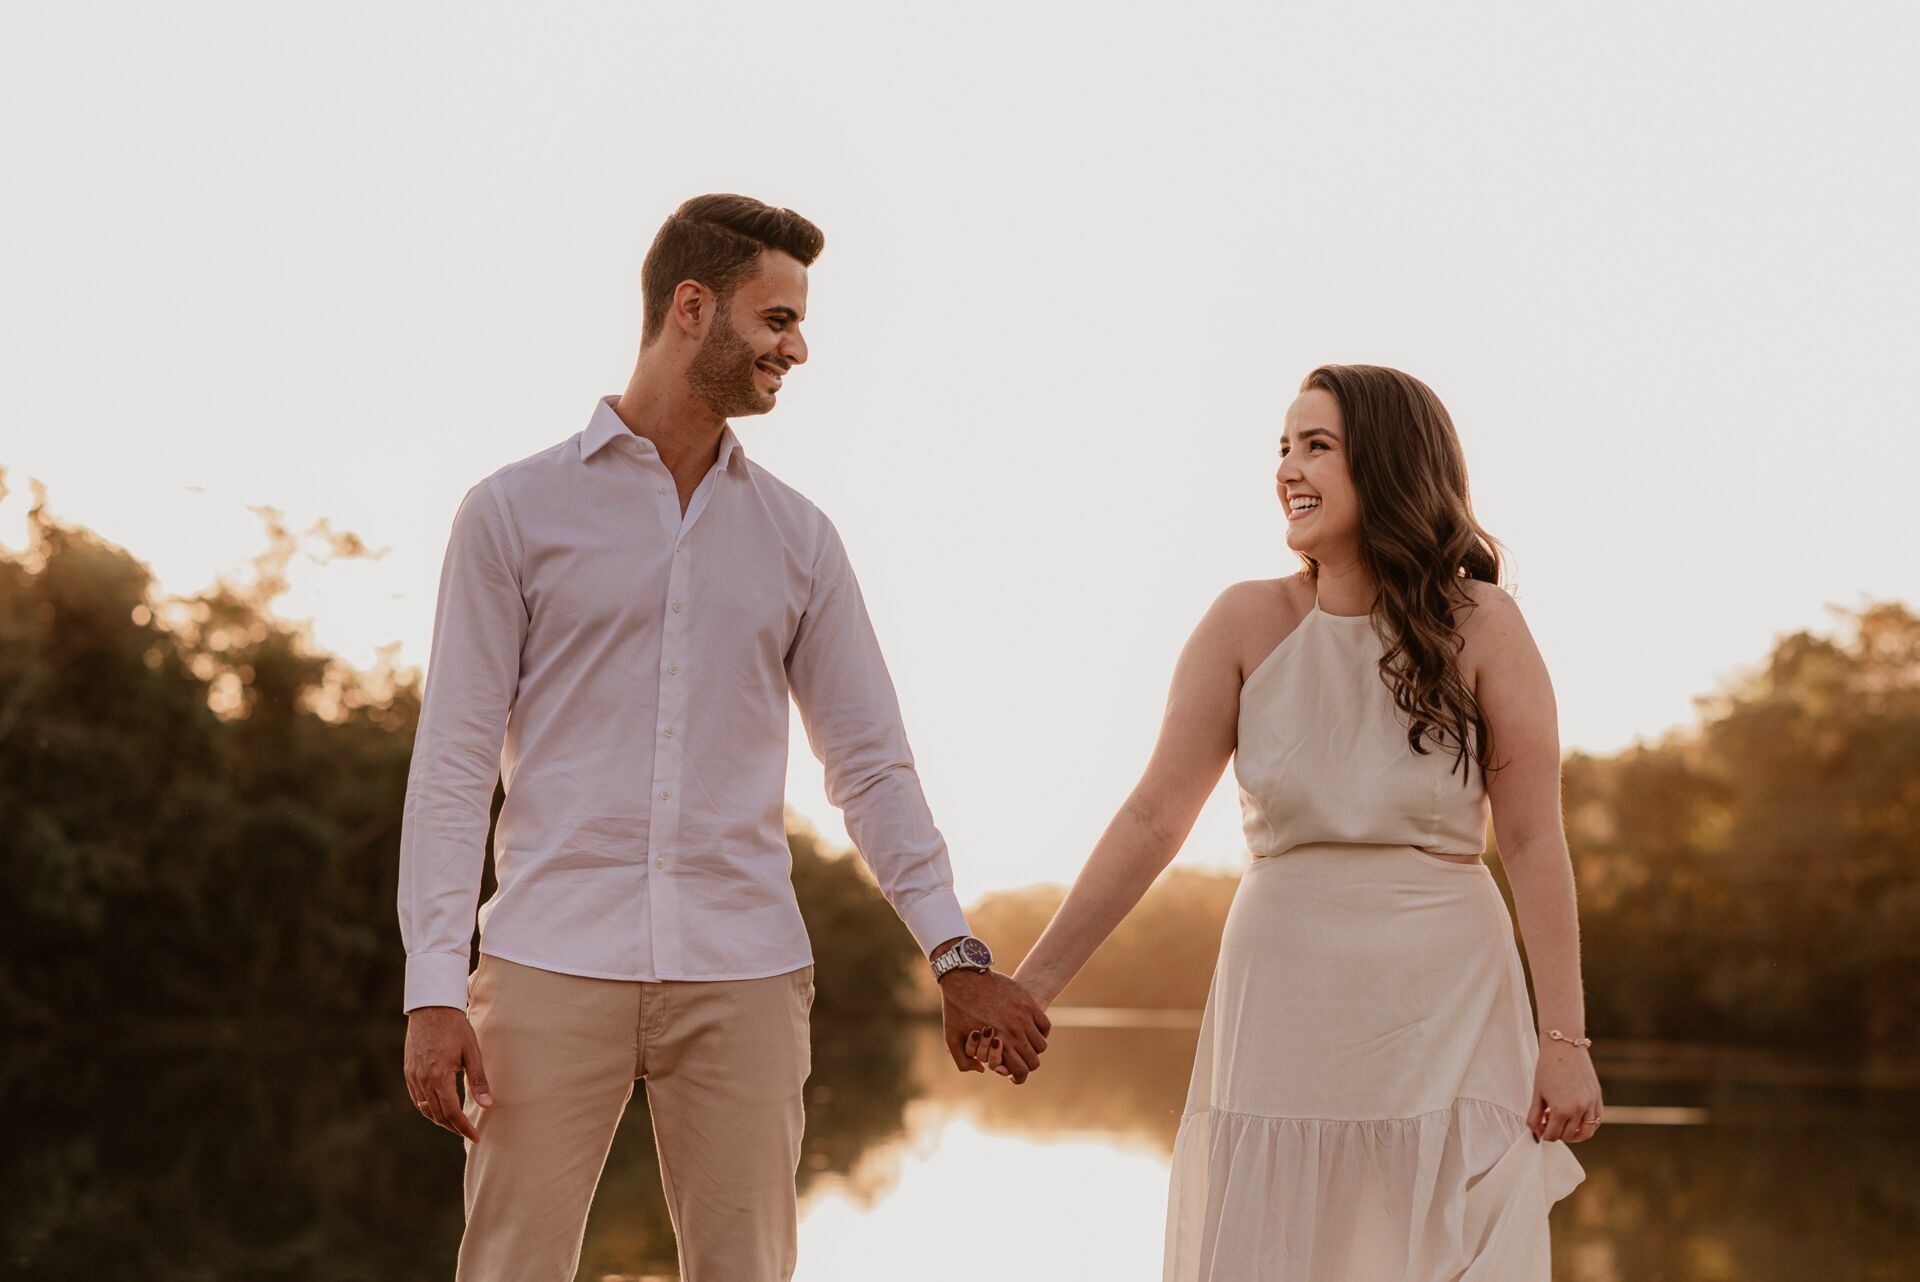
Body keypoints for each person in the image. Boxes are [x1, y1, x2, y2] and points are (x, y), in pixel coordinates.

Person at [396, 193, 1049, 1282]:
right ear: (691, 308)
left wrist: (956, 952)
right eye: (776, 318)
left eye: (797, 322)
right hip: (549, 956)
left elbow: (872, 765)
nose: (798, 346)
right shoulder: (512, 513)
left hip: (744, 969)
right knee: (508, 1265)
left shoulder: (799, 539)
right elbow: (455, 761)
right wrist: (431, 984)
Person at [980, 365, 1598, 1279]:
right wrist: (1032, 984)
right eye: (1282, 447)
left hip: (1448, 1007)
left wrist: (1566, 1044)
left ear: (1387, 465)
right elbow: (1154, 817)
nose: (1287, 469)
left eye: (1317, 446)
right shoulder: (1244, 621)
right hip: (1284, 1006)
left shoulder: (1484, 624)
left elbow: (1536, 840)